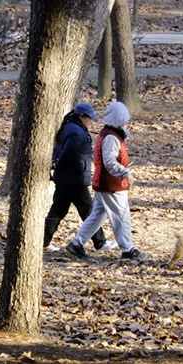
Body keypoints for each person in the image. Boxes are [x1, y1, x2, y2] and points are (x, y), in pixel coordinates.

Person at [65, 101, 148, 260]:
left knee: (97, 215)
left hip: (104, 183)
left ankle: (76, 244)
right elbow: (109, 162)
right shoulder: (111, 137)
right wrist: (125, 173)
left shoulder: (109, 134)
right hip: (111, 184)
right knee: (122, 216)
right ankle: (127, 249)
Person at [43, 102, 118, 253]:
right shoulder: (76, 131)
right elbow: (69, 152)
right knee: (88, 210)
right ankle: (100, 242)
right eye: (89, 118)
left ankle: (43, 241)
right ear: (81, 116)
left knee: (58, 210)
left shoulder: (69, 126)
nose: (90, 121)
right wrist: (59, 164)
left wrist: (57, 165)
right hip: (74, 178)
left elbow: (60, 149)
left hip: (66, 177)